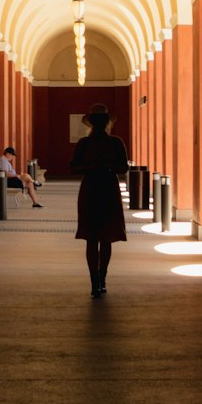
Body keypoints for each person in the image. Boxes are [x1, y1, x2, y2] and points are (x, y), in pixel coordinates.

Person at [70, 104, 129, 297]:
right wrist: (102, 166)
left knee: (96, 237)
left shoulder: (86, 143)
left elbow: (73, 168)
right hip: (104, 189)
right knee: (102, 237)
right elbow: (124, 167)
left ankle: (97, 280)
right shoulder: (114, 142)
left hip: (93, 189)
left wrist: (94, 167)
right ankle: (99, 279)